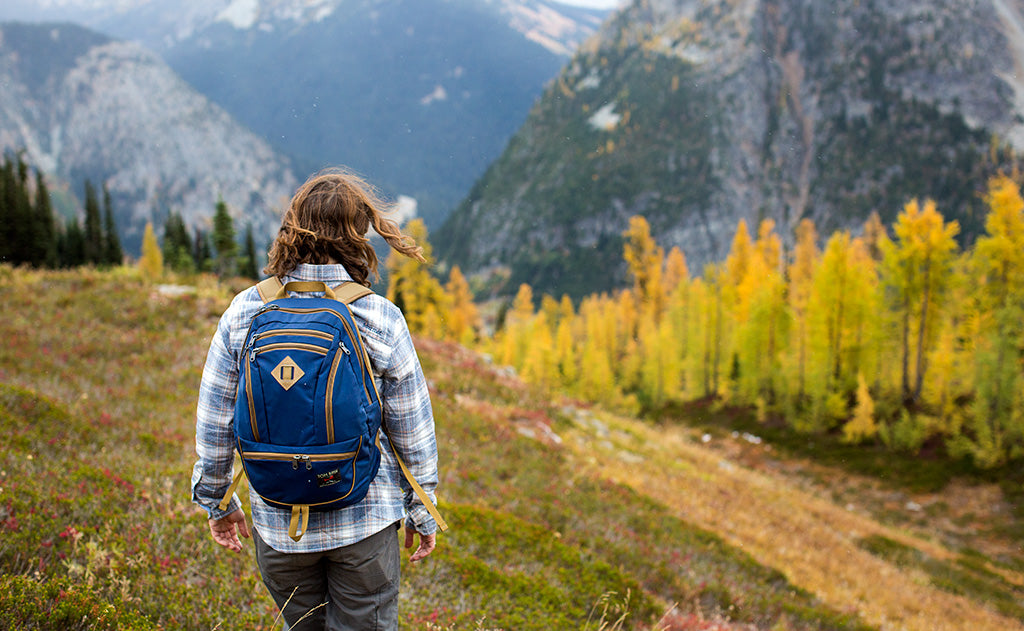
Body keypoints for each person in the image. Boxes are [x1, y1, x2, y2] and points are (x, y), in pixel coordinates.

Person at [191, 168, 442, 630]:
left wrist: (217, 502)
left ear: (292, 227)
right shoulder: (378, 315)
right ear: (359, 234)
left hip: (279, 522)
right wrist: (422, 508)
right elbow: (412, 428)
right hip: (364, 519)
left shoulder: (246, 310)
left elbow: (214, 422)